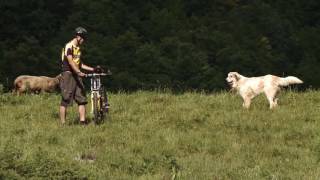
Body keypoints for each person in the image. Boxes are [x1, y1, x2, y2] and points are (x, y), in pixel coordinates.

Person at [59, 27, 101, 125]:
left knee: (81, 98)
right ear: (78, 37)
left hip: (76, 74)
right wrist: (78, 72)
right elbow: (70, 61)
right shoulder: (69, 46)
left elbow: (80, 64)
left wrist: (93, 69)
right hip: (68, 74)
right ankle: (63, 124)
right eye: (83, 39)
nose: (84, 41)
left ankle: (82, 122)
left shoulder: (78, 48)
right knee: (66, 99)